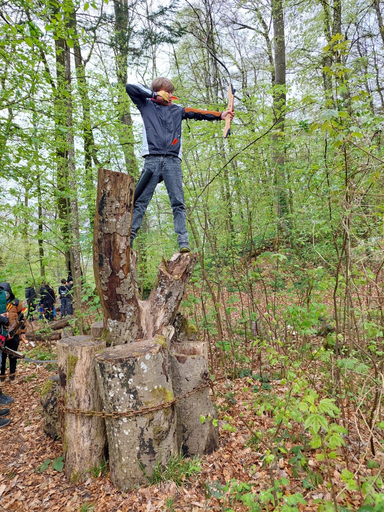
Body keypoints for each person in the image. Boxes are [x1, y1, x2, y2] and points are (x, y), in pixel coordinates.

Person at [126, 78, 235, 252]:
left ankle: (183, 243)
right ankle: (128, 240)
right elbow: (130, 87)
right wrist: (154, 95)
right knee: (140, 202)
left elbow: (198, 112)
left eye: (170, 92)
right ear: (157, 92)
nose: (169, 95)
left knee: (178, 202)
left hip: (172, 160)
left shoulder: (177, 110)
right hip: (152, 159)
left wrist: (221, 115)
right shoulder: (145, 105)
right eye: (165, 92)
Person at [0, 282, 26, 383]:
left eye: (6, 293)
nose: (5, 295)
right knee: (2, 356)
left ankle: (12, 376)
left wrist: (22, 332)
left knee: (13, 355)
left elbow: (22, 317)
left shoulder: (16, 302)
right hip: (2, 334)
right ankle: (1, 377)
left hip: (14, 333)